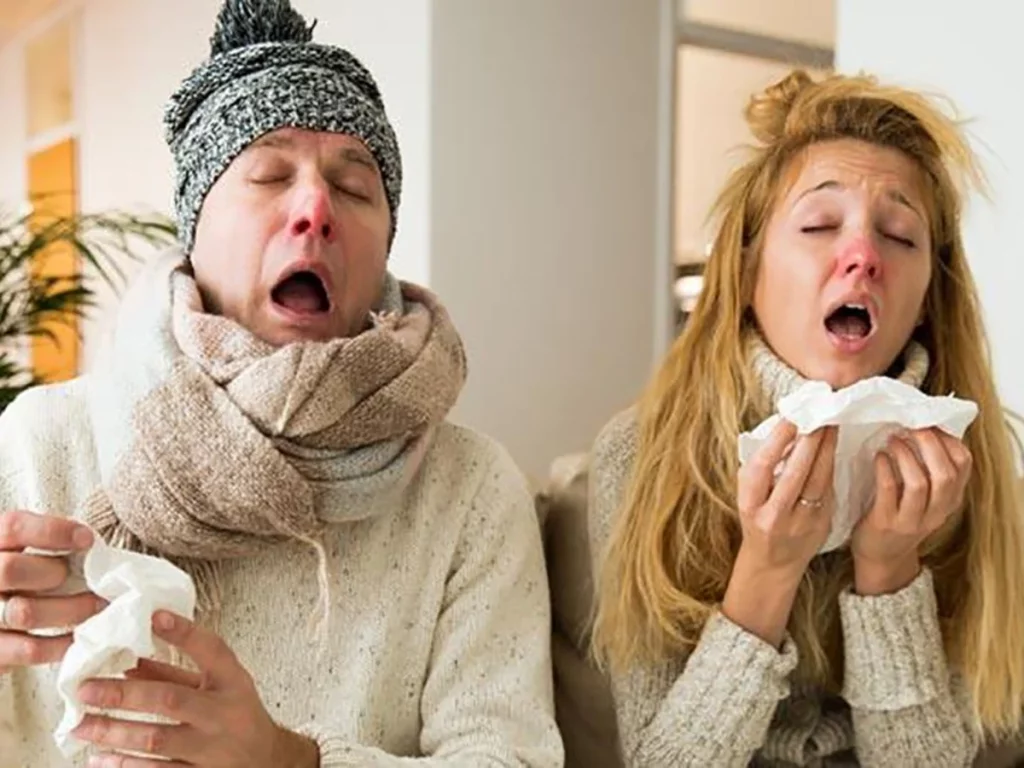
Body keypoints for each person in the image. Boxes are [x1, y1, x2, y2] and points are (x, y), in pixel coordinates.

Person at [0, 1, 563, 766]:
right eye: (267, 175)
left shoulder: (472, 491)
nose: (316, 209)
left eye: (355, 188)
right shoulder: (41, 447)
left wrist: (289, 760)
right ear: (193, 231)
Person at [587, 69, 1024, 767]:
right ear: (746, 271)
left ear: (928, 300)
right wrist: (767, 568)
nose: (864, 258)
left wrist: (889, 568)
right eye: (820, 225)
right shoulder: (641, 455)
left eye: (900, 236)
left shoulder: (974, 466)